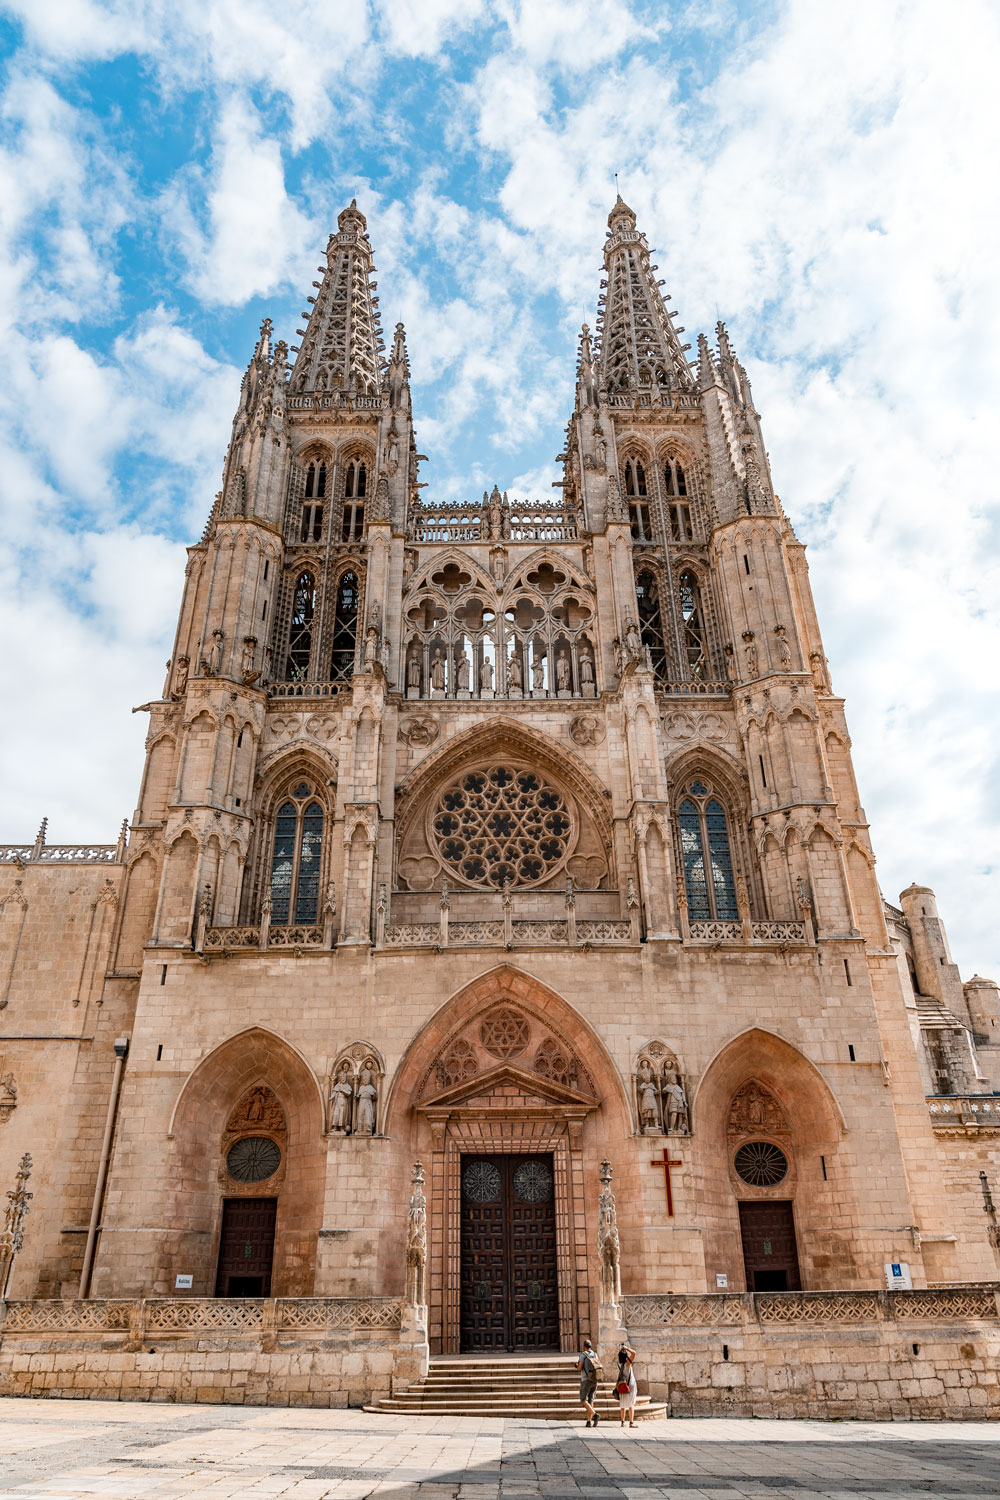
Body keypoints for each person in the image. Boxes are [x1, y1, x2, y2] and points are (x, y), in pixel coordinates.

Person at [577, 1337, 601, 1427]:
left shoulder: (583, 1355)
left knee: (583, 1399)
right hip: (594, 1379)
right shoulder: (595, 1354)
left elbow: (580, 1368)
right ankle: (588, 1421)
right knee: (591, 1400)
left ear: (584, 1346)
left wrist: (576, 1366)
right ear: (590, 1346)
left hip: (586, 1379)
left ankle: (595, 1415)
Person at [615, 1342, 638, 1428]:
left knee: (623, 1404)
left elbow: (620, 1356)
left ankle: (623, 1422)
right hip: (629, 1385)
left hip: (622, 1385)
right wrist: (626, 1348)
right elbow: (634, 1353)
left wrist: (621, 1350)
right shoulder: (628, 1363)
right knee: (631, 1404)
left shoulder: (620, 1364)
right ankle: (631, 1423)